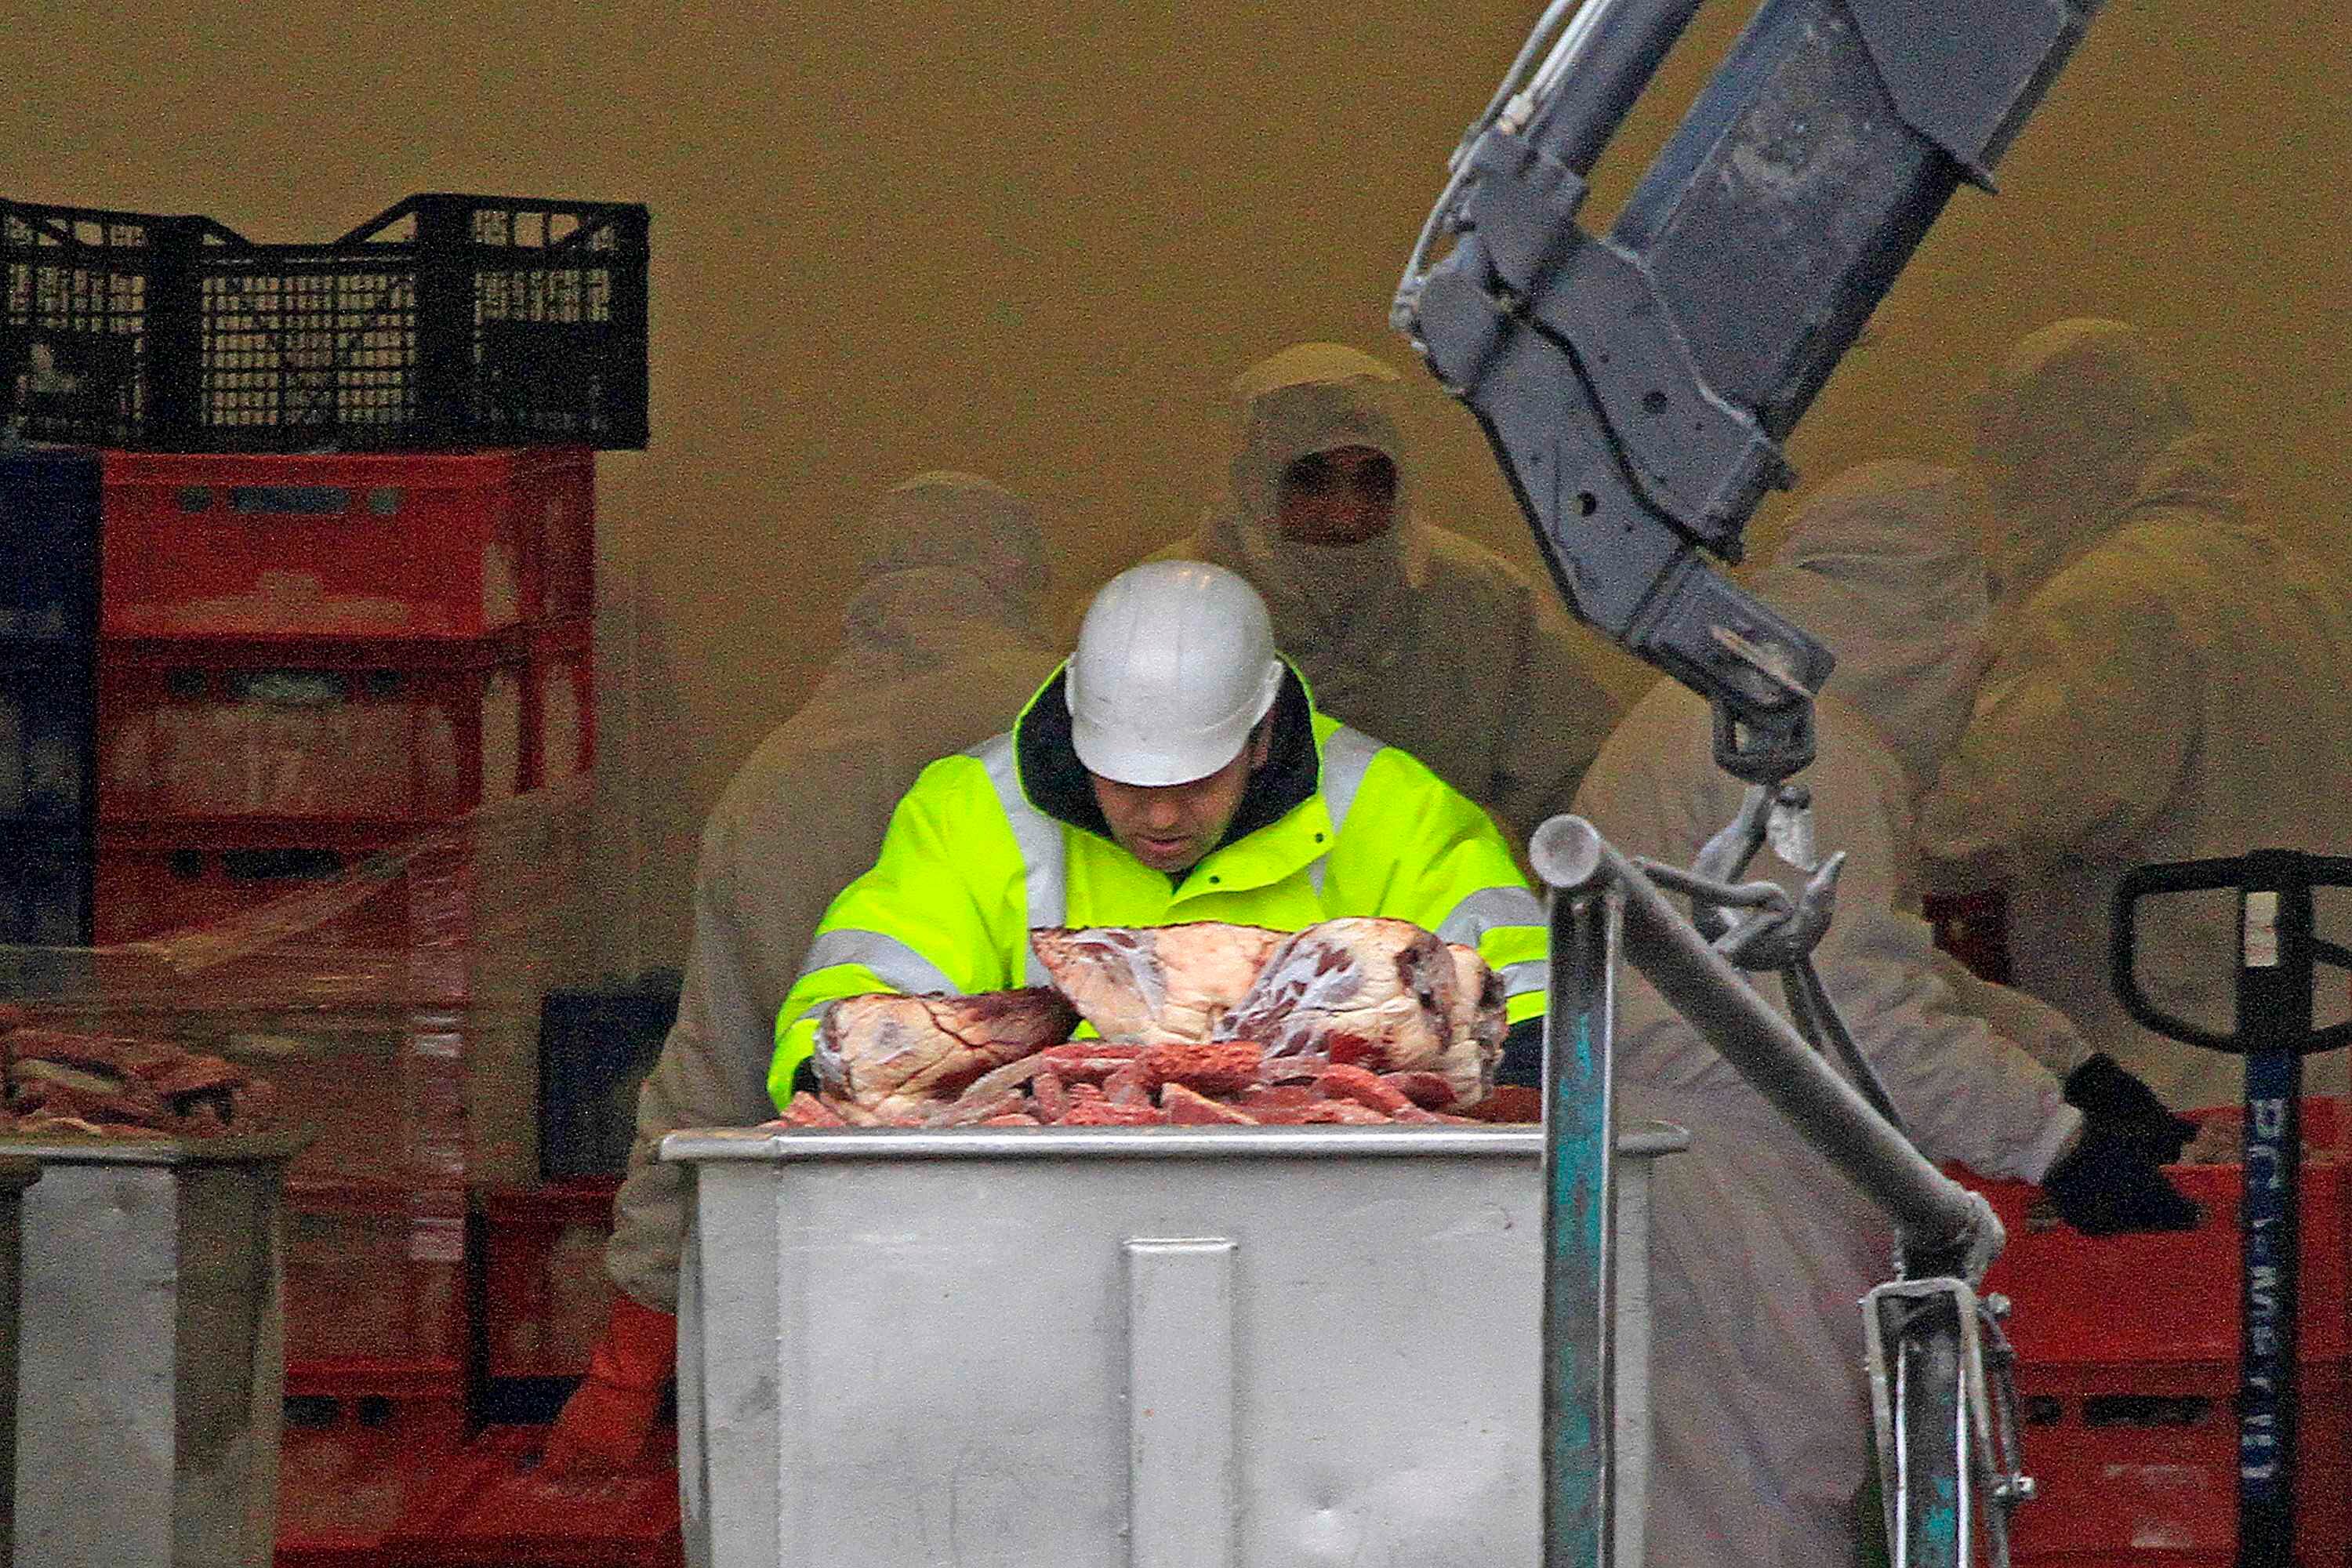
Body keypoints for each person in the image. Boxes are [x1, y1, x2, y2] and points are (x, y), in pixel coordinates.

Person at [1571, 460, 2196, 1568]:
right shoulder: (1788, 744)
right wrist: (2050, 1137)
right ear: (1926, 615)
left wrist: (2061, 1056)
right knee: (1748, 1514)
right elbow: (1856, 1014)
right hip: (1731, 1192)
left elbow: (1849, 959)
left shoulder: (1747, 720)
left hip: (1702, 1172)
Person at [543, 472, 1063, 1473]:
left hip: (835, 1274)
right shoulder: (1077, 732)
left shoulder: (777, 777)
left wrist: (625, 1367)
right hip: (1063, 1244)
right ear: (1019, 578)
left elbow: (709, 1079)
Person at [768, 558, 1551, 1106]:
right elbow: (845, 1006)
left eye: (1197, 779)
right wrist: (841, 1066)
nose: (1162, 815)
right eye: (1127, 782)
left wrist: (1484, 1046)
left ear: (1261, 734)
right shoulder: (970, 811)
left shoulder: (1392, 808)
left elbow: (1537, 1000)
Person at [1918, 319, 2352, 1111]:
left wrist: (1849, 798)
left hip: (2180, 1079)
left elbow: (1973, 823)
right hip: (2327, 1078)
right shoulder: (2309, 591)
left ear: (2056, 454)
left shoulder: (2116, 602)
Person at [1149, 341, 1635, 851]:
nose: (1347, 515)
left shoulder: (1480, 603)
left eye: (1372, 483)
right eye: (1312, 484)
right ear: (1256, 483)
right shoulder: (1162, 610)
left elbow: (1578, 791)